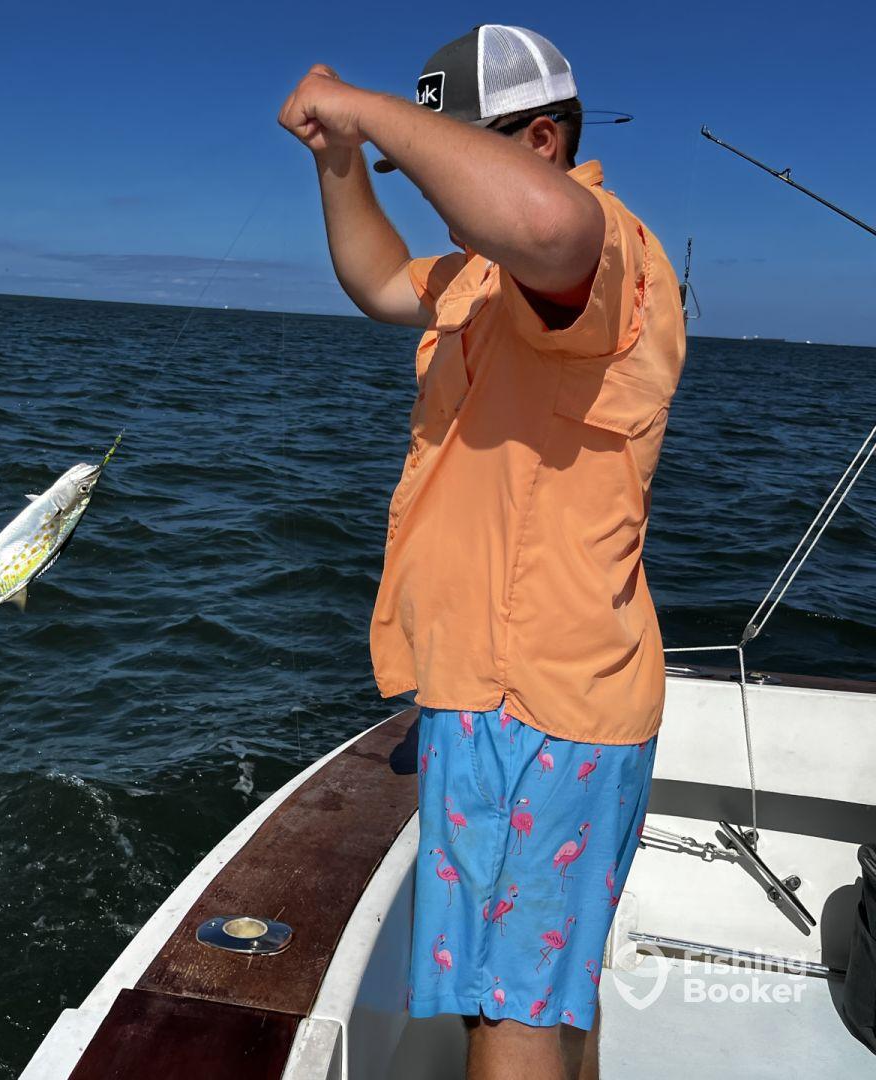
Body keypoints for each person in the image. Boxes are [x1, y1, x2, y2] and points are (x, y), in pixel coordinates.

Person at [278, 24, 685, 1080]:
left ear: (541, 142)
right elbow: (379, 283)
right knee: (542, 999)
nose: (428, 181)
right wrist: (340, 163)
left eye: (446, 151)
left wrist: (369, 110)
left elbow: (549, 224)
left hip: (536, 702)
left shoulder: (590, 253)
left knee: (507, 1019)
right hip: (494, 692)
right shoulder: (480, 276)